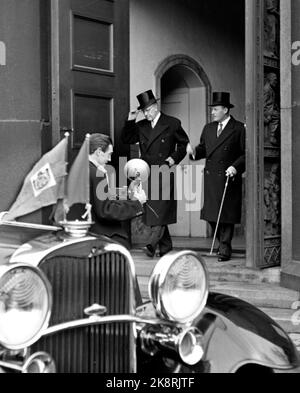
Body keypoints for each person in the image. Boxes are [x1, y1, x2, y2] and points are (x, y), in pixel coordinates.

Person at [122, 90, 189, 258]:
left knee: (160, 209)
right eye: (143, 111)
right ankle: (166, 248)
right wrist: (131, 119)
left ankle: (151, 246)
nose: (146, 114)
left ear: (155, 107)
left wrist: (172, 160)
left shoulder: (172, 123)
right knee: (154, 210)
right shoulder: (142, 125)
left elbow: (183, 145)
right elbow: (126, 138)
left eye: (148, 110)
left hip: (164, 171)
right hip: (146, 173)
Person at [187, 92, 245, 262]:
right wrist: (194, 152)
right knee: (212, 215)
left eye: (216, 109)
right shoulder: (209, 128)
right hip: (211, 177)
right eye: (212, 109)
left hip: (228, 177)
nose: (212, 112)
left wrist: (235, 167)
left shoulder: (239, 128)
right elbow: (204, 149)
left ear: (226, 110)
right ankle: (222, 243)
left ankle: (225, 247)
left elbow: (245, 154)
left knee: (225, 214)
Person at [88, 133, 146, 249]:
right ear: (99, 151)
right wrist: (137, 203)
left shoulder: (85, 168)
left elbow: (98, 196)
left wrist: (127, 193)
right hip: (97, 231)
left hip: (85, 227)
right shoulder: (98, 174)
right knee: (123, 241)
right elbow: (106, 210)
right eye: (109, 154)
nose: (109, 159)